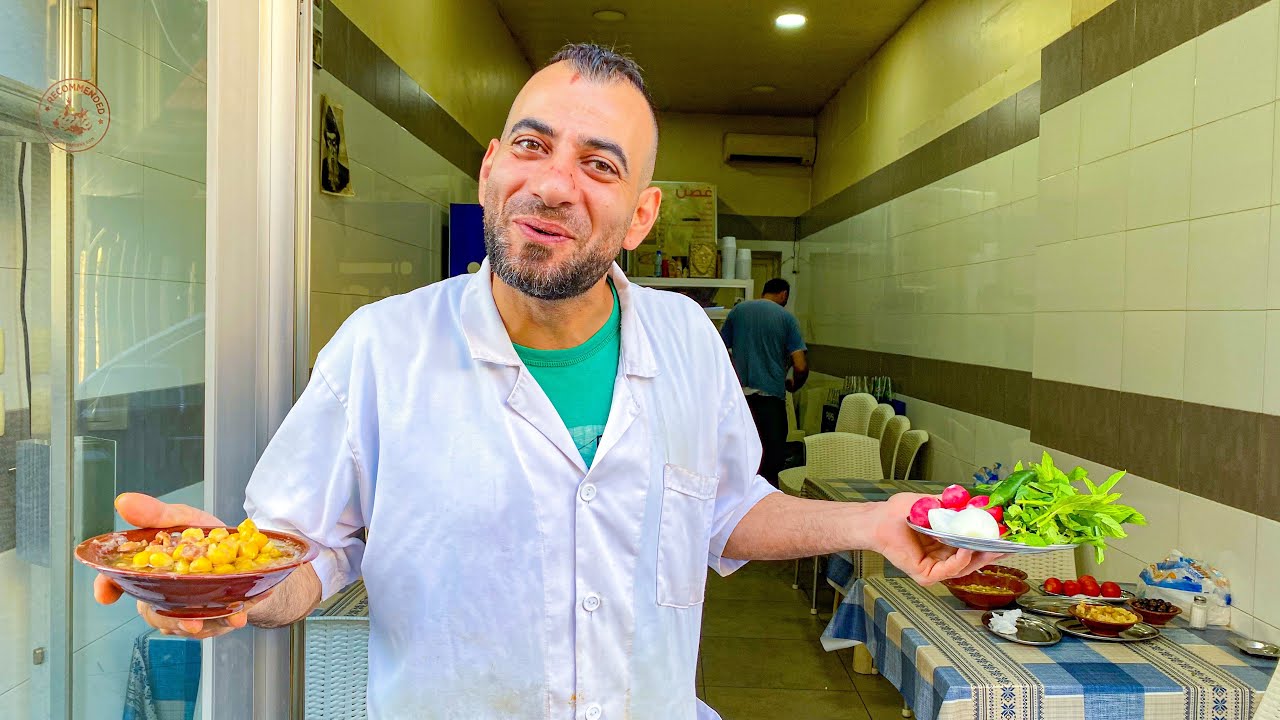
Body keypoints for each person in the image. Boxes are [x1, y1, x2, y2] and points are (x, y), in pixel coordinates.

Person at [94, 44, 999, 720]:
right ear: (492, 167)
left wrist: (876, 525)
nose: (554, 184)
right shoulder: (384, 349)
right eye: (532, 146)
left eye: (599, 165)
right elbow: (306, 551)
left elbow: (725, 508)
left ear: (642, 214)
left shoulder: (687, 339)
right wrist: (228, 582)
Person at [719, 277, 806, 486]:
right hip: (771, 402)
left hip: (740, 403)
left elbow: (720, 352)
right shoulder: (786, 319)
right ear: (784, 294)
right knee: (771, 464)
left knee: (741, 461)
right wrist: (795, 384)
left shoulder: (737, 312)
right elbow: (800, 365)